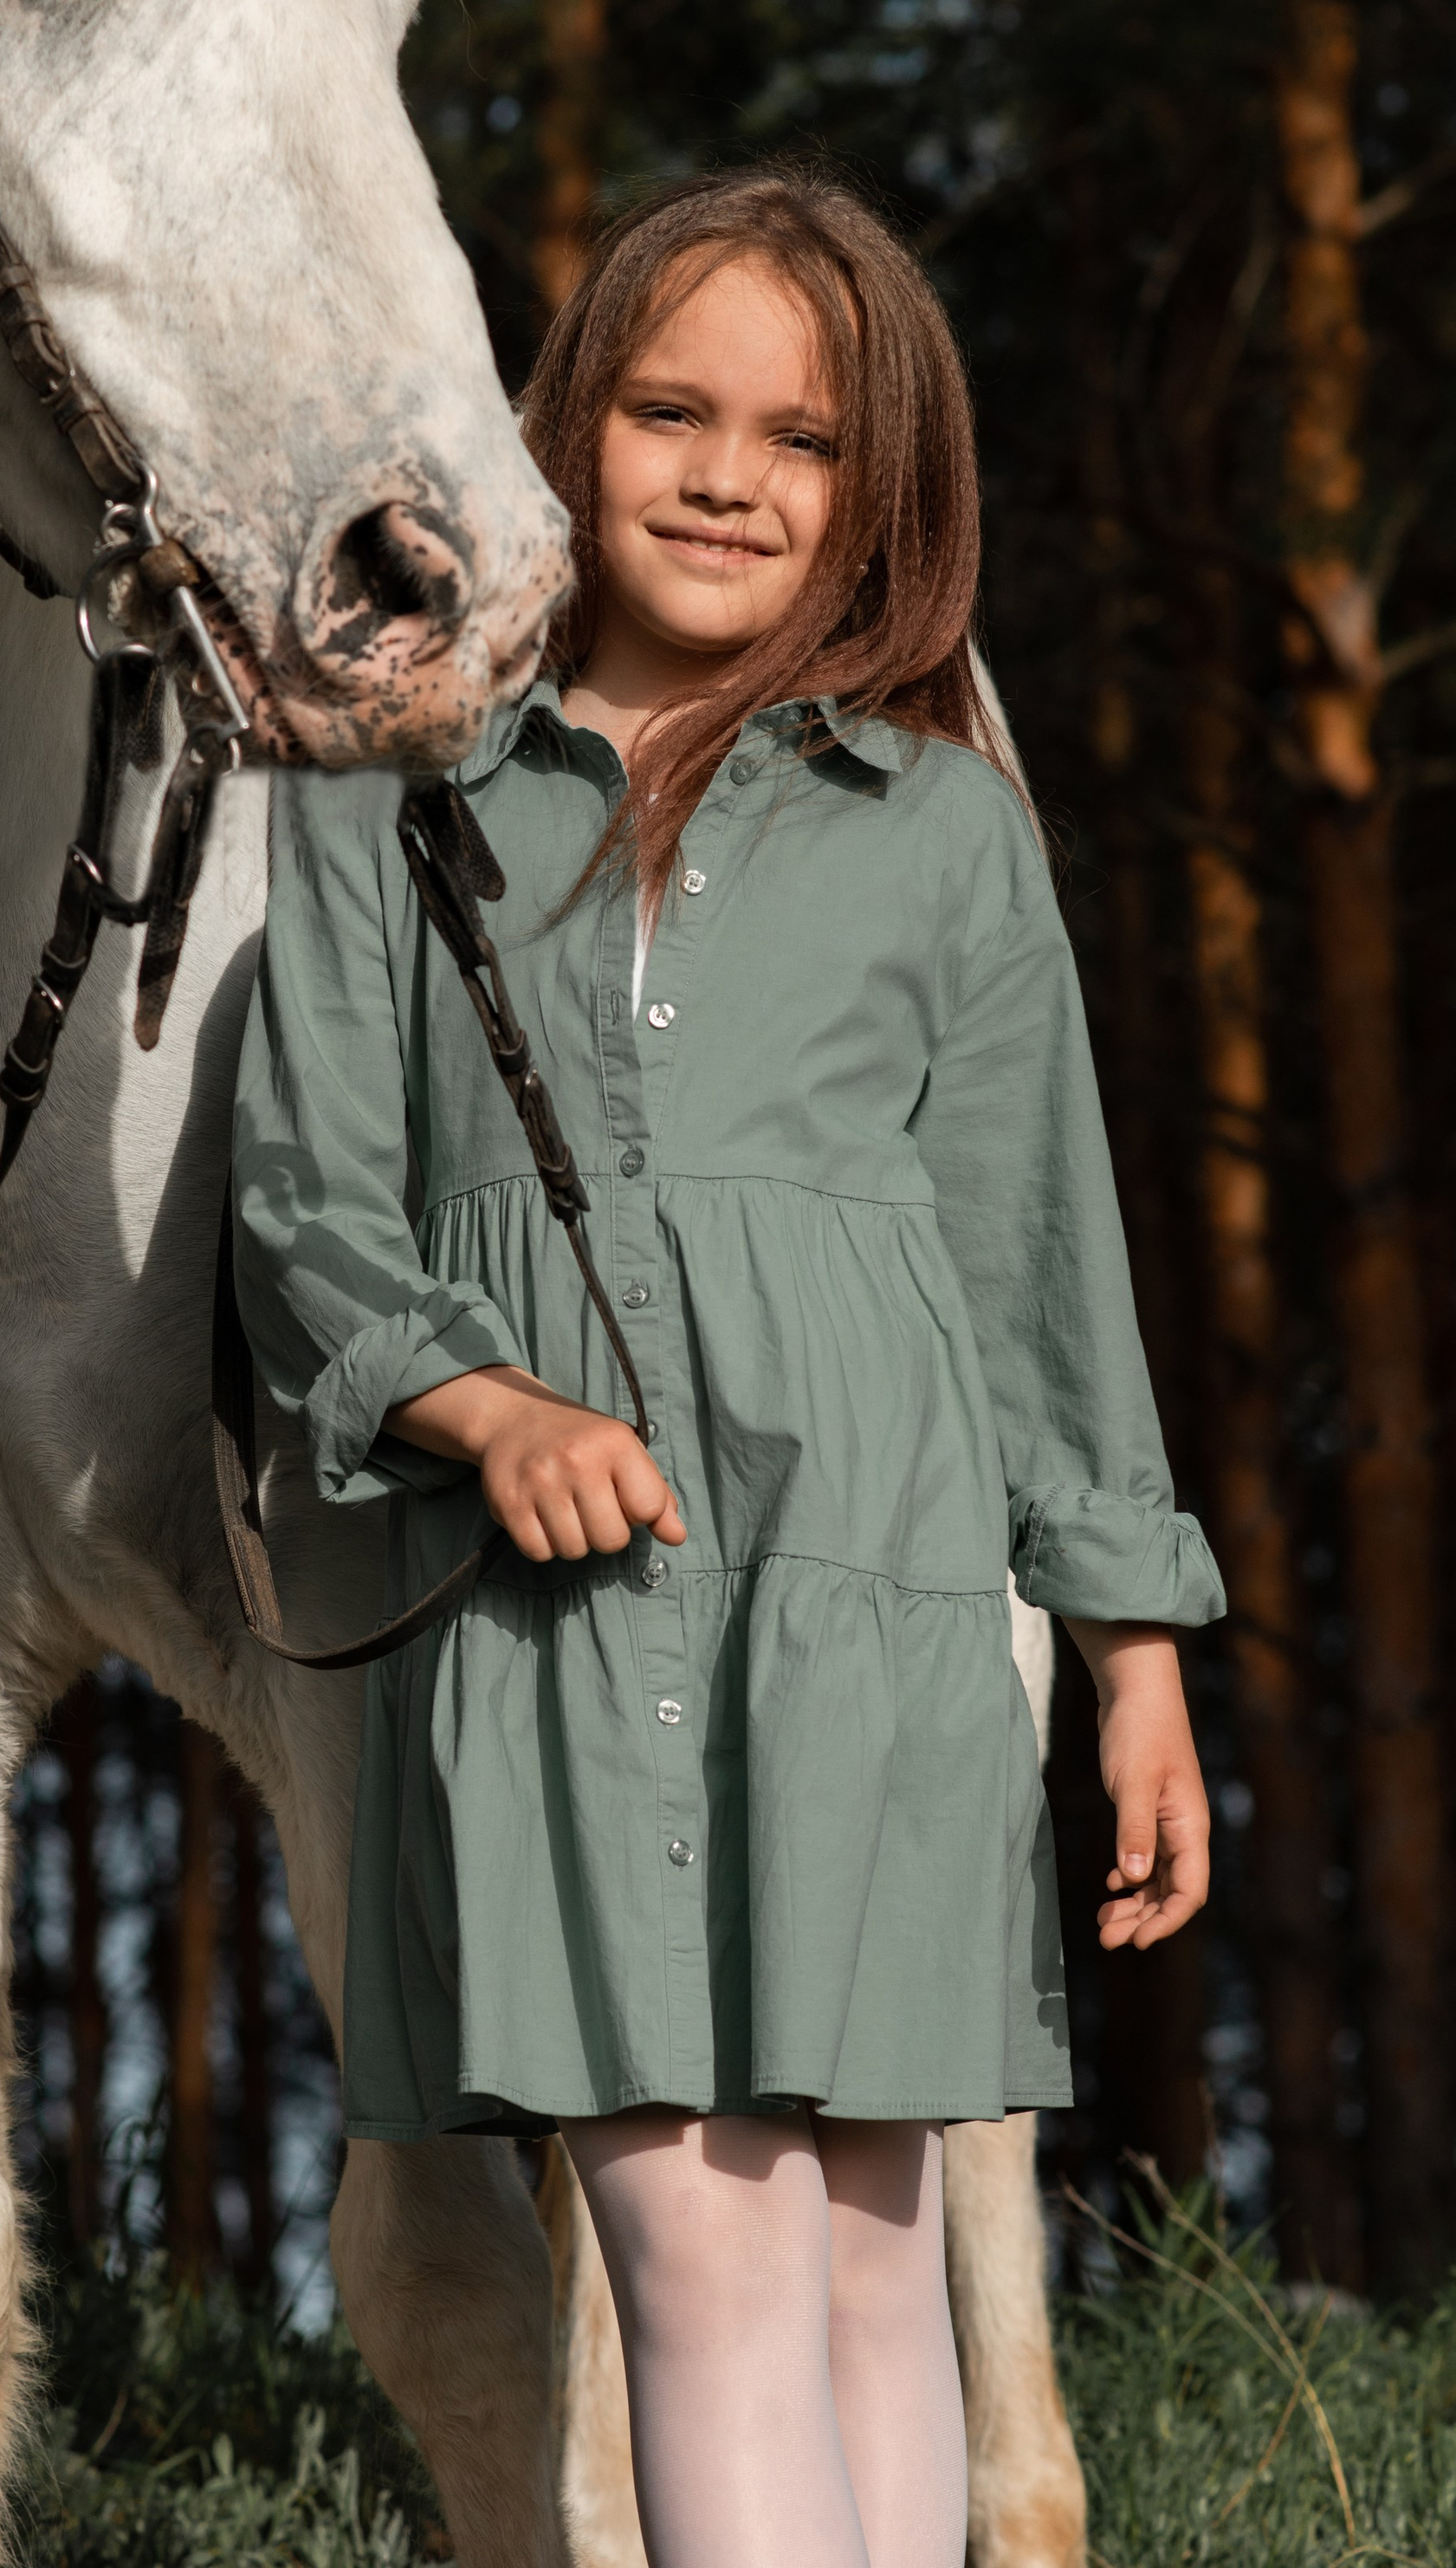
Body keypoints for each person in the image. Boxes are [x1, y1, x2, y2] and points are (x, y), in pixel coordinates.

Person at [231, 163, 1224, 2568]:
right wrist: (487, 1407)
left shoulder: (949, 839)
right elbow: (302, 1206)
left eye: (799, 437)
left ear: (883, 493)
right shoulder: (405, 802)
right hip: (562, 1637)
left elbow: (1044, 1266)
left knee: (881, 2276)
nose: (725, 471)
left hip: (879, 1624)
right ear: (565, 429)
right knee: (700, 2253)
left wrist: (1131, 1657)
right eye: (671, 406)